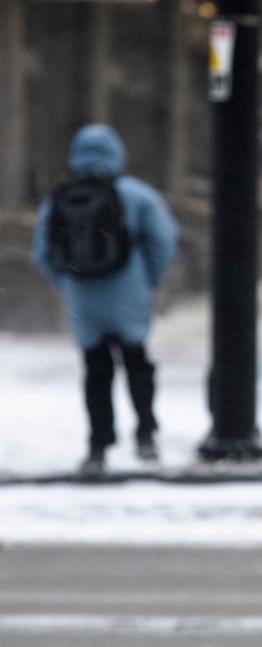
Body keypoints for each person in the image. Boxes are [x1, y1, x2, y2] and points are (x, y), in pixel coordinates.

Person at [33, 124, 178, 475]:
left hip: (84, 298)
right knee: (137, 364)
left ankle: (98, 444)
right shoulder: (136, 195)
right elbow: (163, 239)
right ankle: (145, 434)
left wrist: (67, 284)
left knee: (96, 371)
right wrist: (150, 280)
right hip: (128, 293)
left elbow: (42, 252)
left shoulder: (60, 198)